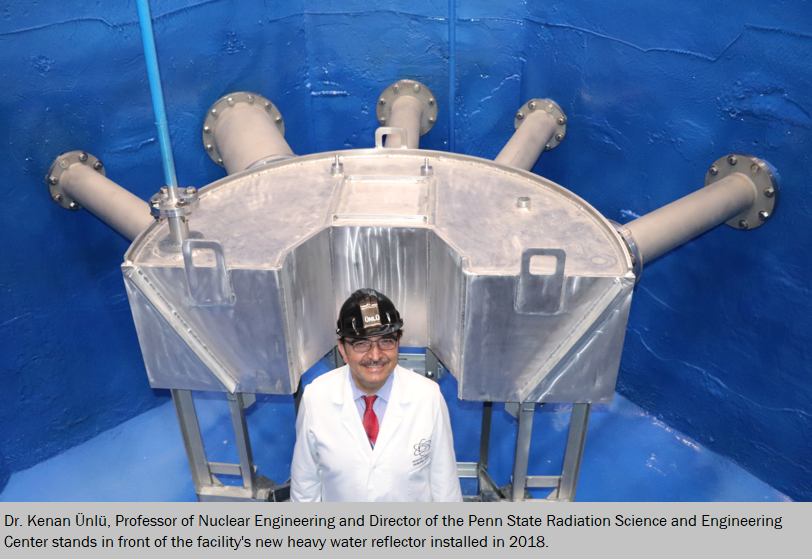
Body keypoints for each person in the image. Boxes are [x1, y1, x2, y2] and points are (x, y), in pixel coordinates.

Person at [290, 288, 462, 502]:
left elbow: (445, 486)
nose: (375, 355)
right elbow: (305, 485)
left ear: (398, 343)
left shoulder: (428, 397)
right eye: (361, 343)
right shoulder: (316, 398)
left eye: (386, 341)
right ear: (343, 349)